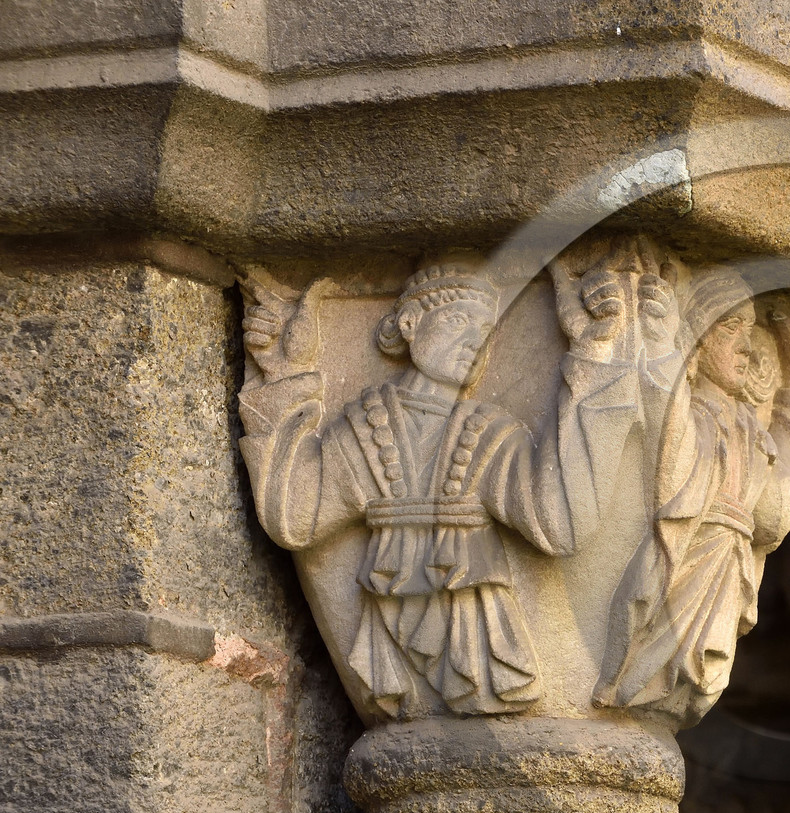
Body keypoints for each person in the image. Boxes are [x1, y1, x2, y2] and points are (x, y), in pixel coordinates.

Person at [237, 243, 676, 720]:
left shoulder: (486, 434)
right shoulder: (366, 429)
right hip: (388, 646)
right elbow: (293, 517)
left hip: (481, 649)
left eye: (483, 330)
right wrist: (284, 372)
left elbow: (561, 523)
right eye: (455, 322)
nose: (473, 341)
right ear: (408, 324)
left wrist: (592, 355)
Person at [595, 268, 790, 724]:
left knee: (682, 689)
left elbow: (774, 514)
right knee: (643, 686)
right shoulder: (688, 416)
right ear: (697, 340)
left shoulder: (750, 431)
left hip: (724, 576)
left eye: (749, 329)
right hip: (675, 572)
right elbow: (664, 443)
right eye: (729, 327)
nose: (746, 345)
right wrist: (660, 343)